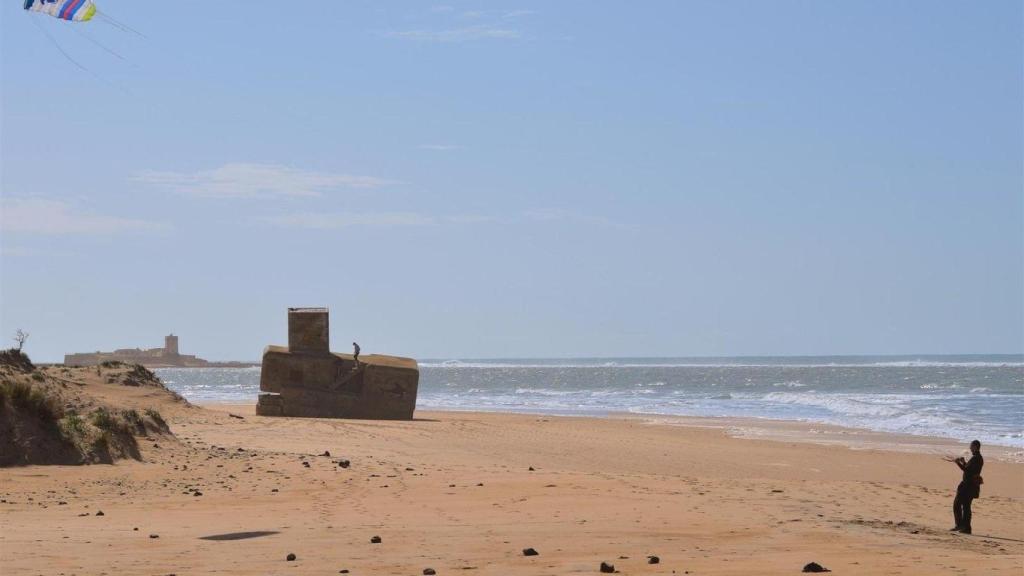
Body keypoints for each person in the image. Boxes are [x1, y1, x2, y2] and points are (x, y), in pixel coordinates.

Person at [948, 440, 984, 534]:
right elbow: (969, 469)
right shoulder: (977, 458)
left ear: (975, 447)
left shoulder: (977, 458)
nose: (970, 448)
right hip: (971, 485)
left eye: (971, 446)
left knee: (957, 504)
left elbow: (966, 470)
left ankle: (960, 525)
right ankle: (966, 528)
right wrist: (963, 462)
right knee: (966, 506)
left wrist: (957, 462)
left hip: (968, 485)